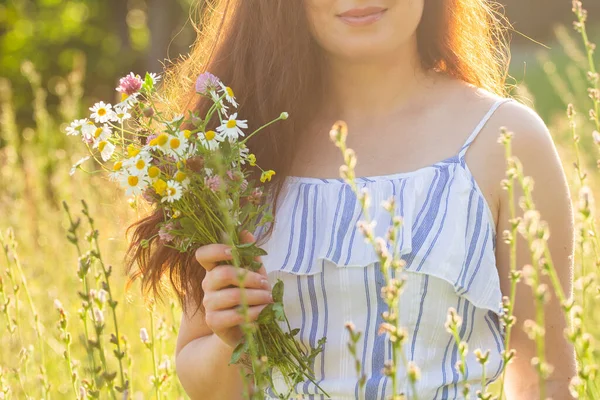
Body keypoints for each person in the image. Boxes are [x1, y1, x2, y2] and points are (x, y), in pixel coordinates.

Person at [127, 0, 576, 398]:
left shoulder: (505, 140)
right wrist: (231, 340)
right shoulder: (235, 147)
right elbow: (203, 382)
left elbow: (546, 379)